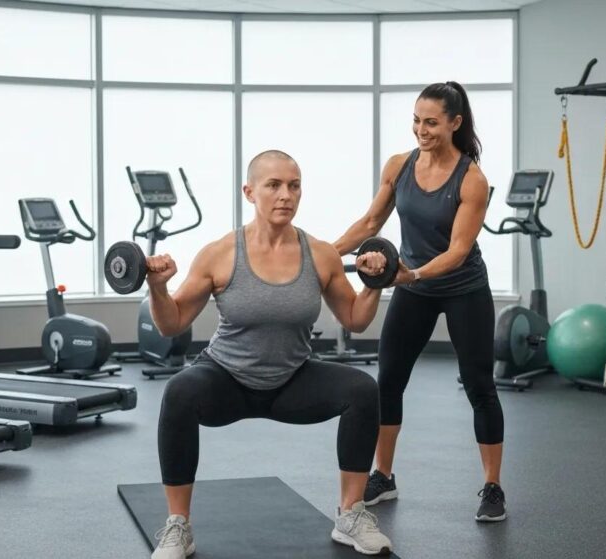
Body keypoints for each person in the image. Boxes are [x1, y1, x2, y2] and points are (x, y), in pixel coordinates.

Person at [148, 150, 412, 559]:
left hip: (292, 379)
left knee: (361, 390)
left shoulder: (320, 254)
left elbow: (356, 319)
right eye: (273, 185)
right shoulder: (220, 253)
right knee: (180, 392)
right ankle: (178, 525)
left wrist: (376, 282)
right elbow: (172, 323)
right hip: (227, 378)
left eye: (294, 185)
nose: (285, 195)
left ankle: (351, 514)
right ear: (249, 192)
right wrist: (158, 288)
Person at [333, 81, 507, 522]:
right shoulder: (399, 165)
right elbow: (372, 220)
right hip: (413, 288)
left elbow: (458, 250)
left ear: (455, 123)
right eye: (416, 120)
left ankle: (492, 486)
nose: (421, 130)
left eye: (431, 122)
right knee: (388, 380)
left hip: (463, 287)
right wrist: (324, 253)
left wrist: (410, 274)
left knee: (479, 385)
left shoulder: (472, 179)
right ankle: (384, 475)